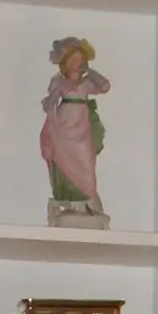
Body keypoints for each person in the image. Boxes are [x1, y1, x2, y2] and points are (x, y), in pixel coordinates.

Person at [40, 36, 111, 222]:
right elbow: (48, 105)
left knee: (85, 160)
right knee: (63, 159)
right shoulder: (59, 81)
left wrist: (91, 71)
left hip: (82, 124)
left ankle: (88, 198)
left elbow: (105, 86)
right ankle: (71, 203)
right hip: (63, 123)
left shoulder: (86, 83)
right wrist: (57, 92)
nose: (76, 64)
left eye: (80, 60)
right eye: (72, 60)